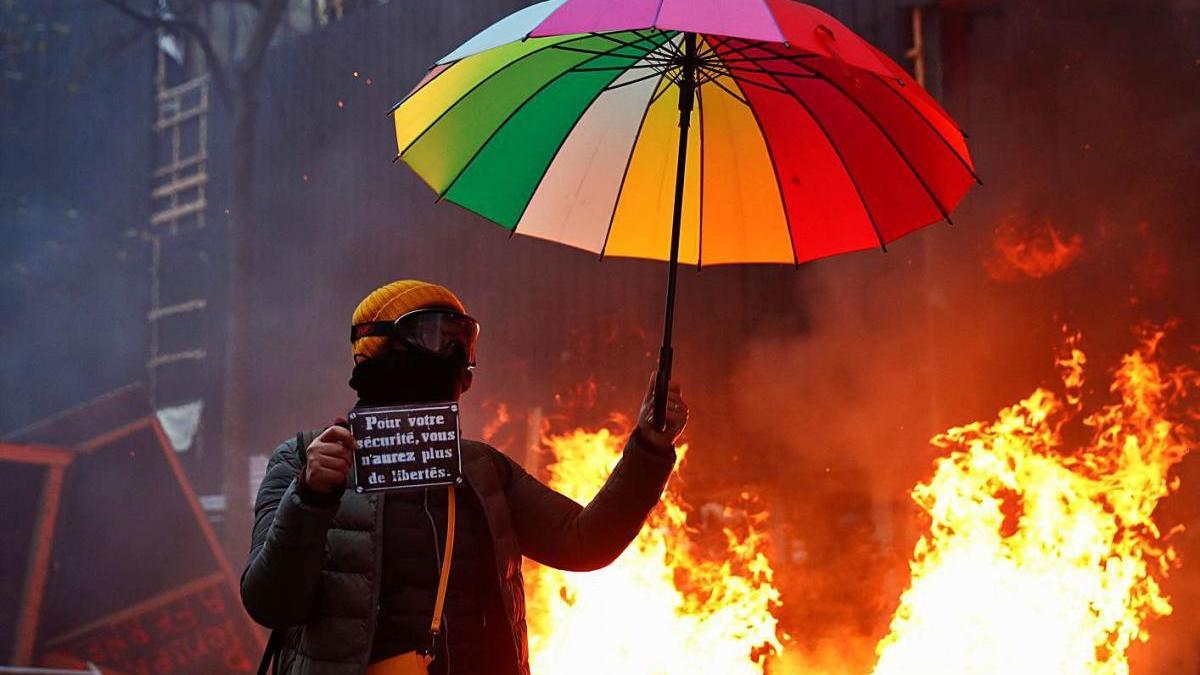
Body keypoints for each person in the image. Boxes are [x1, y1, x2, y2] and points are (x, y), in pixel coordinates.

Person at [241, 280, 688, 675]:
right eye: (436, 336)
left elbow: (585, 541)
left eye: (463, 341)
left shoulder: (481, 469)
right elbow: (270, 602)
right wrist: (310, 498)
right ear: (378, 347)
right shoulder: (304, 459)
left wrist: (649, 447)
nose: (453, 355)